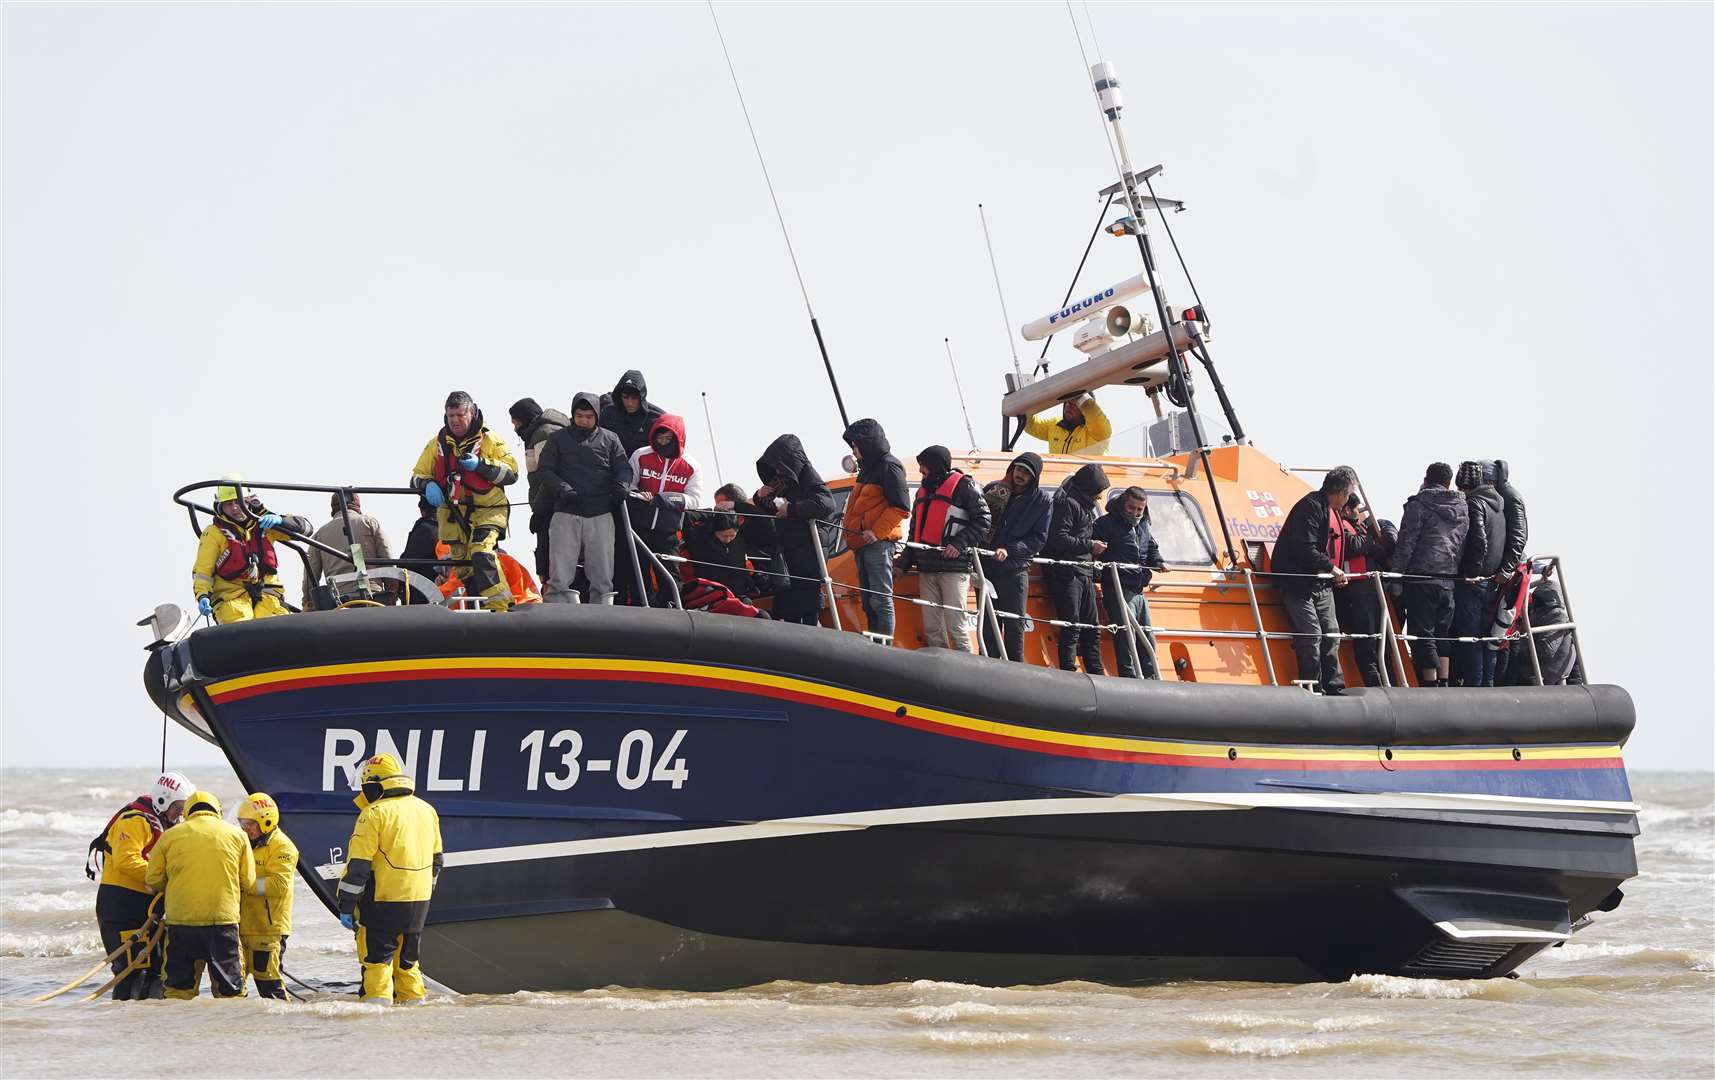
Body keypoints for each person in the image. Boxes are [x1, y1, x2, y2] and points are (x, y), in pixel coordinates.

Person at [337, 754, 444, 1006]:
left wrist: (346, 905)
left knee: (376, 964)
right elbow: (437, 860)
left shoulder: (373, 814)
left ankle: (377, 1024)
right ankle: (414, 1016)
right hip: (418, 903)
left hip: (382, 901)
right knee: (408, 964)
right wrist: (423, 894)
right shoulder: (426, 809)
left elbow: (358, 867)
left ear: (373, 784)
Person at [410, 391, 520, 612]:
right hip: (453, 515)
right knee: (463, 568)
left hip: (487, 510)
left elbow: (511, 473)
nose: (455, 420)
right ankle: (480, 608)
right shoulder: (437, 444)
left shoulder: (490, 440)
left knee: (482, 552)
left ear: (471, 413)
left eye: (460, 415)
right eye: (451, 415)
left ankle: (501, 607)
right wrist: (427, 485)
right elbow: (416, 475)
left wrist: (481, 465)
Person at [87, 772, 191, 1000]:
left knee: (155, 970)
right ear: (162, 800)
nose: (180, 814)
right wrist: (164, 880)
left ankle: (147, 1024)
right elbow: (127, 860)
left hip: (144, 907)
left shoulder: (164, 824)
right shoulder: (135, 821)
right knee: (131, 971)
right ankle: (125, 1022)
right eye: (178, 807)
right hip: (121, 907)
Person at [144, 790, 255, 1000]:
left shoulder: (170, 836)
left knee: (177, 993)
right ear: (217, 811)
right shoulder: (237, 835)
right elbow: (247, 881)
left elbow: (153, 879)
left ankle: (181, 1032)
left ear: (187, 812)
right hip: (222, 924)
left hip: (181, 925)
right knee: (231, 994)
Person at [536, 393, 633, 604]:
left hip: (600, 512)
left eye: (589, 416)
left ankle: (603, 611)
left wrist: (621, 485)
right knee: (560, 571)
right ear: (573, 415)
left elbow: (624, 468)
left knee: (603, 572)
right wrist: (563, 489)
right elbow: (545, 469)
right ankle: (556, 607)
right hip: (565, 511)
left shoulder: (610, 439)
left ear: (597, 416)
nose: (584, 420)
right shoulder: (557, 438)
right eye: (579, 415)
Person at [1272, 468, 1360, 694]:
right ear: (1341, 492)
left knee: (1331, 633)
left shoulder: (1327, 510)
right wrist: (1332, 568)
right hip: (1298, 582)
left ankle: (1334, 685)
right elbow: (1304, 548)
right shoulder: (1310, 507)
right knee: (1312, 634)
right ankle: (1312, 685)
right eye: (1349, 494)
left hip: (1318, 582)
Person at [895, 445, 992, 651]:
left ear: (936, 466)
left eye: (924, 466)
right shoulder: (922, 492)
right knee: (932, 627)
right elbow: (915, 533)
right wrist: (903, 564)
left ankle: (965, 669)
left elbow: (983, 521)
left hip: (954, 570)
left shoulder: (966, 486)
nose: (921, 471)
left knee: (956, 626)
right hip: (926, 568)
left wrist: (958, 543)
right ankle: (937, 668)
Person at [1390, 462, 1470, 687]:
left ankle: (1430, 683)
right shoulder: (1462, 507)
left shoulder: (1418, 505)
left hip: (1421, 578)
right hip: (1448, 580)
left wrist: (1396, 578)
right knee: (1442, 632)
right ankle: (1443, 680)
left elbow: (1406, 544)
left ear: (1426, 480)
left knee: (1422, 632)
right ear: (1449, 483)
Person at [192, 477, 311, 624]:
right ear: (220, 506)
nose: (234, 507)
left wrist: (281, 521)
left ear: (248, 500)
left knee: (278, 628)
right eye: (228, 504)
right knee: (238, 628)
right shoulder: (213, 533)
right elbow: (203, 571)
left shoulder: (265, 523)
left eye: (238, 501)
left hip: (269, 594)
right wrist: (202, 596)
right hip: (231, 598)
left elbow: (306, 529)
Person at [753, 434, 837, 626]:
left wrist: (791, 509)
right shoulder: (783, 479)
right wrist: (760, 497)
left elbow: (827, 503)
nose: (775, 470)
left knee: (808, 598)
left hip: (809, 547)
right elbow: (771, 506)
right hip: (790, 548)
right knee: (790, 598)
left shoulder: (808, 475)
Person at [839, 420, 911, 640]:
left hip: (877, 544)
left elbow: (901, 507)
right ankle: (875, 643)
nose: (853, 450)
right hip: (861, 544)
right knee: (869, 600)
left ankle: (884, 648)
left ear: (866, 444)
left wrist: (876, 532)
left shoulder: (890, 466)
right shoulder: (867, 469)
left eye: (855, 445)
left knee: (881, 599)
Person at [979, 453, 1053, 662]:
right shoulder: (994, 489)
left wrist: (1009, 549)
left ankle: (1016, 671)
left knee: (1014, 627)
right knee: (987, 626)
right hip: (986, 569)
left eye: (1026, 473)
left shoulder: (1042, 501)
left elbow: (1039, 539)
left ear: (1034, 477)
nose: (1020, 475)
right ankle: (986, 669)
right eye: (1018, 469)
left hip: (1014, 571)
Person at [625, 414, 705, 606]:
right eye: (659, 438)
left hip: (668, 531)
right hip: (639, 527)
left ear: (678, 438)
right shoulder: (640, 455)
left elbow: (695, 499)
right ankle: (640, 610)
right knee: (638, 573)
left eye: (667, 439)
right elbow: (628, 484)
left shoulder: (691, 466)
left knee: (669, 574)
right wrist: (641, 496)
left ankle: (672, 610)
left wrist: (670, 499)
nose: (662, 443)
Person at [1043, 462, 1112, 674]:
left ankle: (1095, 669)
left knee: (1091, 626)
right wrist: (1091, 545)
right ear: (1090, 489)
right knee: (1071, 623)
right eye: (1098, 492)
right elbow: (1058, 538)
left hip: (1083, 571)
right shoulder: (1068, 504)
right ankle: (1068, 669)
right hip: (1068, 573)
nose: (1100, 498)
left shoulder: (1083, 507)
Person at [1091, 487, 1166, 679]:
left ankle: (1151, 677)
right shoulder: (1105, 523)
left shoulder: (1143, 525)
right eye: (1131, 508)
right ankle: (1129, 677)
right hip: (1117, 587)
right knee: (1126, 635)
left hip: (1139, 588)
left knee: (1146, 634)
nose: (1135, 513)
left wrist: (1158, 562)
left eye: (1139, 510)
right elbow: (1092, 549)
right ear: (1123, 503)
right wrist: (1098, 571)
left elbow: (1150, 547)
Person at [235, 793, 297, 1000]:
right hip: (242, 925)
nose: (245, 828)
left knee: (269, 984)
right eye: (242, 823)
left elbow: (278, 885)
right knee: (235, 985)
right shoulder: (245, 843)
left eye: (250, 824)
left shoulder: (283, 846)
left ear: (266, 821)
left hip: (268, 929)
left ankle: (281, 1026)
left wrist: (247, 885)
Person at [1333, 498, 1397, 688]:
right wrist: (1371, 542)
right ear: (1346, 509)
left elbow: (1377, 550)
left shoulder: (1360, 528)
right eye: (1355, 508)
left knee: (1382, 643)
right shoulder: (1340, 526)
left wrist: (1379, 541)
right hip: (1356, 591)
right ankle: (1375, 686)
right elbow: (1350, 545)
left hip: (1371, 589)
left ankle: (1390, 683)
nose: (1359, 512)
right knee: (1366, 644)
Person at [1452, 461, 1506, 686]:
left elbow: (1479, 539)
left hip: (1475, 581)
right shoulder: (1499, 506)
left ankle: (1476, 689)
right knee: (1488, 639)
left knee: (1471, 637)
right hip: (1492, 581)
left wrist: (1471, 572)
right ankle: (1488, 686)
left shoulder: (1474, 504)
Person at [510, 397, 571, 581]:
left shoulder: (543, 434)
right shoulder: (537, 433)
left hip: (552, 507)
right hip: (547, 505)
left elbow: (549, 474)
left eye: (516, 423)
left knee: (550, 559)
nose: (515, 428)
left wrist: (539, 511)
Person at [302, 493, 393, 610]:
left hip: (338, 601)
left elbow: (310, 577)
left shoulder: (319, 534)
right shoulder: (369, 523)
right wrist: (392, 593)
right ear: (357, 505)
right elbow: (387, 560)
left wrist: (307, 603)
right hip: (372, 597)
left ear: (333, 508)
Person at [1487, 459, 1530, 685]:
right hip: (1504, 572)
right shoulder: (1502, 495)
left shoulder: (1510, 497)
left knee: (1502, 628)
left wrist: (1506, 569)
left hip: (1510, 575)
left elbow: (1518, 537)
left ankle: (1499, 681)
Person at [435, 541, 543, 605]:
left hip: (505, 617)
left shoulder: (465, 568)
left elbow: (446, 595)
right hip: (527, 613)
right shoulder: (508, 561)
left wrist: (435, 588)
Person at [597, 369, 667, 457]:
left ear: (641, 396)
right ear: (619, 396)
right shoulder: (608, 414)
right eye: (625, 397)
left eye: (634, 398)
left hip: (643, 468)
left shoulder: (658, 418)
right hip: (611, 466)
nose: (629, 403)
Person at [1023, 392, 1113, 455]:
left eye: (1075, 404)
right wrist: (1024, 400)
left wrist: (1080, 396)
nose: (1069, 406)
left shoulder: (1097, 432)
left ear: (1084, 411)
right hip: (1061, 480)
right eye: (1067, 402)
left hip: (1089, 481)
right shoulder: (1055, 425)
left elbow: (1093, 412)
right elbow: (1031, 425)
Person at [397, 497, 445, 598]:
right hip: (442, 588)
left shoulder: (426, 529)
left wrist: (397, 587)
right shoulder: (449, 527)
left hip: (424, 592)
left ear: (422, 510)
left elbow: (408, 561)